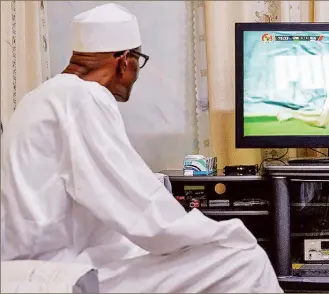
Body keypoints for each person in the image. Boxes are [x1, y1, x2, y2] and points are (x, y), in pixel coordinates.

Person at [0, 3, 282, 293]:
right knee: (245, 258)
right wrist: (226, 232)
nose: (136, 73)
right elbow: (146, 215)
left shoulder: (42, 97)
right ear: (124, 60)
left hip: (38, 263)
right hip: (60, 272)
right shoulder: (82, 99)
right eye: (139, 60)